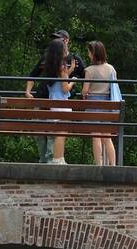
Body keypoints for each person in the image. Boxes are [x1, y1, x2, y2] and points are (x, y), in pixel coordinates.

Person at [26, 30, 85, 162]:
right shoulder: (47, 59)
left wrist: (84, 91)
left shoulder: (74, 60)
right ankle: (47, 159)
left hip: (59, 101)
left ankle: (51, 159)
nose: (55, 41)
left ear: (66, 41)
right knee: (40, 132)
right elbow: (32, 75)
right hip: (44, 99)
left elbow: (86, 77)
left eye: (59, 39)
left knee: (54, 133)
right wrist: (27, 91)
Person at [83, 40, 118, 166]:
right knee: (107, 137)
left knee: (96, 136)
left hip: (93, 105)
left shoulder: (89, 70)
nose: (88, 54)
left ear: (94, 54)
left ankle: (98, 164)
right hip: (108, 105)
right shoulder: (111, 69)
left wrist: (84, 94)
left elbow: (85, 91)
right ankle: (113, 164)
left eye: (89, 52)